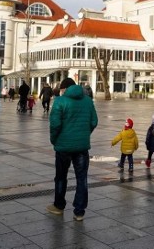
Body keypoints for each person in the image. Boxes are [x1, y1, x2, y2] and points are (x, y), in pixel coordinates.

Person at [46, 77, 98, 221]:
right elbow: (94, 121)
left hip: (63, 147)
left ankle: (59, 206)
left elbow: (55, 125)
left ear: (64, 89)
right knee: (82, 178)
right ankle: (79, 211)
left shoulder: (60, 101)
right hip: (82, 147)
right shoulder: (88, 101)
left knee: (61, 177)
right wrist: (84, 134)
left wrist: (54, 140)